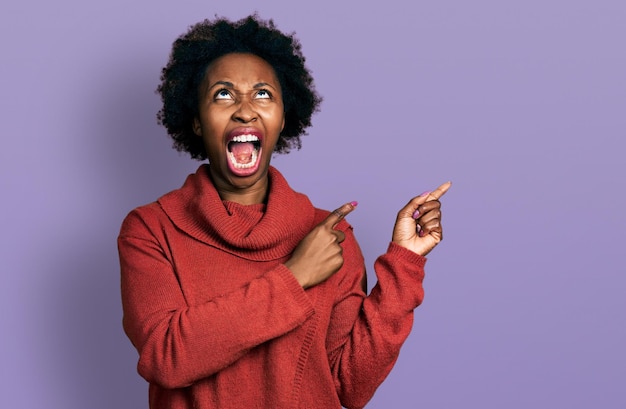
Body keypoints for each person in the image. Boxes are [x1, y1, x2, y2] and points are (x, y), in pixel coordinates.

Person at [118, 14, 450, 409]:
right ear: (195, 120)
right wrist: (296, 277)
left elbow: (351, 386)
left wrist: (406, 263)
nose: (244, 110)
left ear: (283, 118)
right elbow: (166, 357)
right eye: (223, 94)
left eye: (262, 94)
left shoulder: (330, 237)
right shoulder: (151, 229)